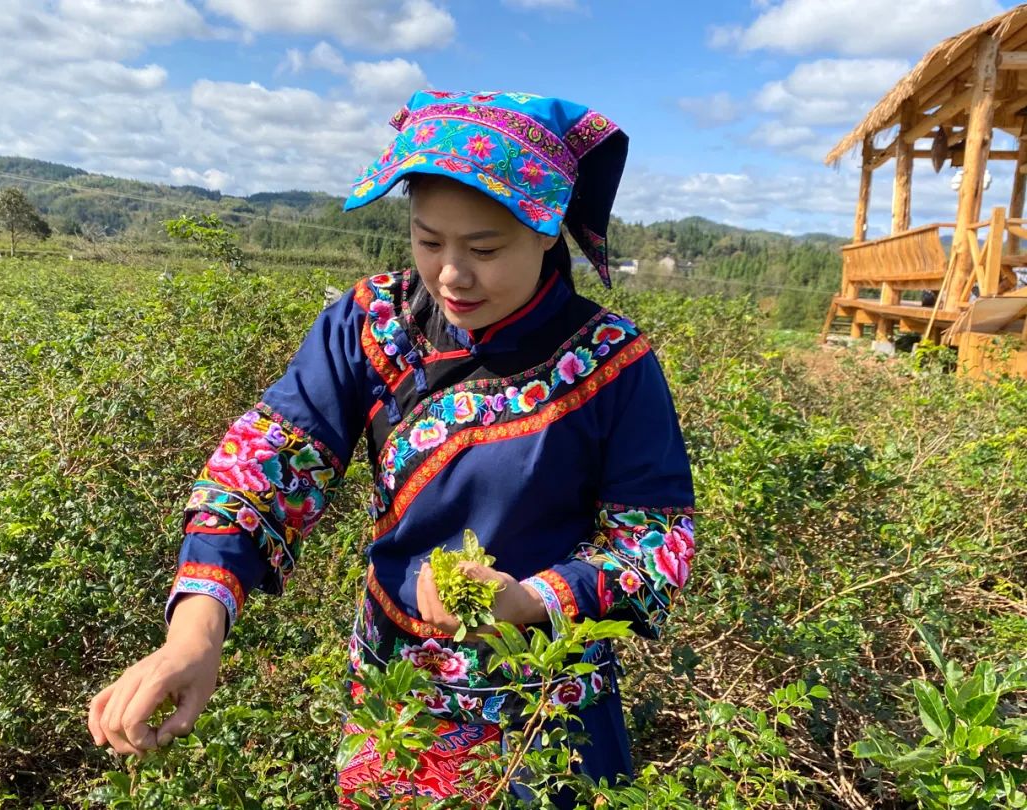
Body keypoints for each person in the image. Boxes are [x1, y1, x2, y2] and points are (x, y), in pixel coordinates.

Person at [88, 89, 696, 807]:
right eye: (428, 239)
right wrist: (195, 632)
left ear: (547, 227)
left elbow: (658, 542)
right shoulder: (371, 322)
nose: (450, 276)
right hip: (397, 695)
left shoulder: (611, 362)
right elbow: (263, 466)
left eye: (484, 248)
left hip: (546, 709)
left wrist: (530, 598)